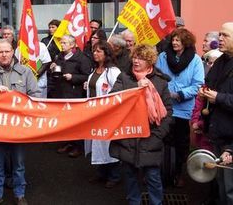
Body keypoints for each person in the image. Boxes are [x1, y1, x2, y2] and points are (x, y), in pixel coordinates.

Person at [110, 44, 172, 205]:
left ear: (150, 61)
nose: (136, 61)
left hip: (151, 138)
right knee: (130, 178)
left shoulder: (160, 81)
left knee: (153, 178)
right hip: (128, 137)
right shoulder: (125, 78)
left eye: (142, 58)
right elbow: (113, 101)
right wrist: (134, 90)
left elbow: (168, 112)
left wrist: (158, 136)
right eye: (135, 57)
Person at [0, 39, 40, 205]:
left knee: (19, 164)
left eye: (7, 51)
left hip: (18, 128)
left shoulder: (26, 72)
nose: (4, 55)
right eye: (0, 52)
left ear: (13, 52)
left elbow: (36, 96)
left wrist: (15, 96)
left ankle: (20, 194)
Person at [156, 28, 204, 187]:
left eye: (178, 40)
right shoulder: (163, 57)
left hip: (183, 109)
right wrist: (164, 91)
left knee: (181, 143)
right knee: (161, 140)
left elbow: (198, 84)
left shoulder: (195, 60)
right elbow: (157, 77)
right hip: (164, 107)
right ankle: (159, 173)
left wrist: (180, 94)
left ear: (186, 42)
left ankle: (178, 173)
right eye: (173, 40)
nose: (175, 42)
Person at [199, 22, 233, 205]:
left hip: (230, 139)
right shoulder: (221, 60)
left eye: (225, 35)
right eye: (219, 34)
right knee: (221, 185)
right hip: (218, 132)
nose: (219, 38)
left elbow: (221, 96)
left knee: (229, 189)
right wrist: (204, 91)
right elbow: (210, 83)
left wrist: (218, 98)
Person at [84, 41, 121, 188]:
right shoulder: (94, 70)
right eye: (94, 51)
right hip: (94, 112)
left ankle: (114, 175)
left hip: (108, 114)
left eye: (99, 51)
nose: (95, 53)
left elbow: (118, 91)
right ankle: (101, 173)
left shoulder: (112, 71)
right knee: (97, 142)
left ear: (107, 54)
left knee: (108, 144)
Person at [51, 35, 92, 158]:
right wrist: (52, 68)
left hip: (74, 93)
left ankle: (78, 146)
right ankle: (68, 142)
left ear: (72, 45)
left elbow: (87, 76)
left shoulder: (82, 58)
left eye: (64, 43)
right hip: (61, 92)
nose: (62, 45)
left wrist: (73, 77)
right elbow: (56, 73)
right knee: (65, 120)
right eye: (61, 42)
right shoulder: (60, 56)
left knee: (76, 121)